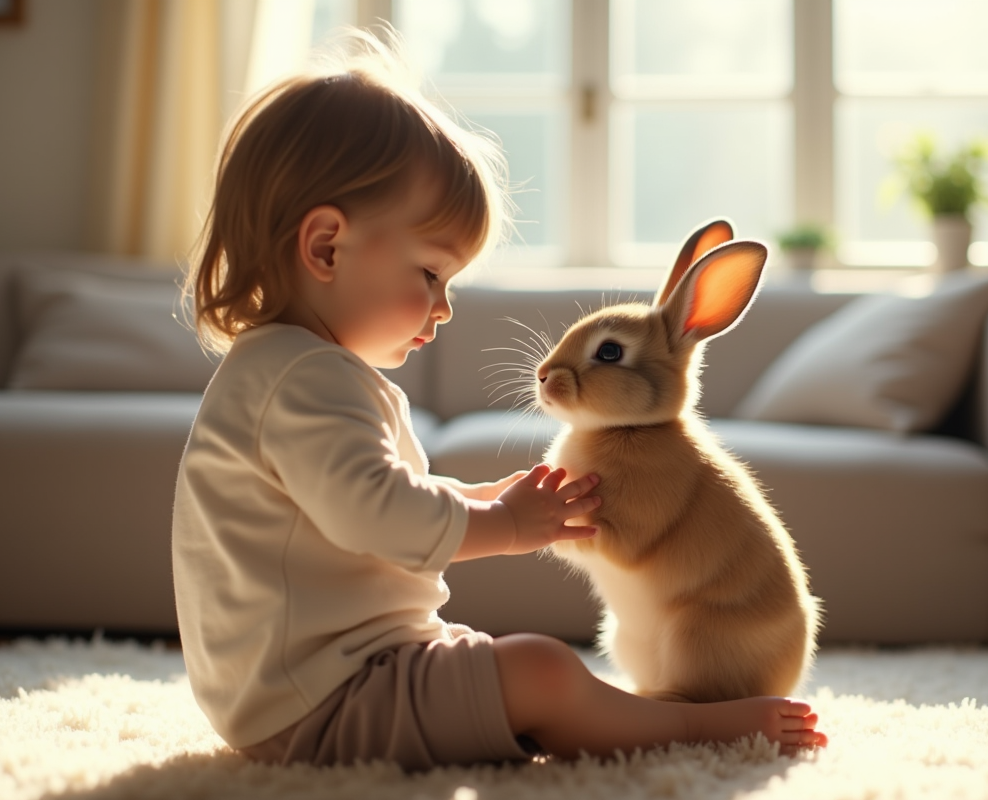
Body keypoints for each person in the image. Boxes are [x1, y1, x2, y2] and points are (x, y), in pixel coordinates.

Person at [172, 29, 827, 772]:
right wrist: (507, 524)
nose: (444, 308)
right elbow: (373, 514)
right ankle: (696, 728)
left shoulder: (293, 373)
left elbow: (366, 501)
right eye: (430, 275)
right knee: (539, 672)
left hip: (330, 673)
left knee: (504, 667)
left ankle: (596, 715)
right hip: (322, 700)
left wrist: (482, 497)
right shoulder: (303, 380)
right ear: (326, 248)